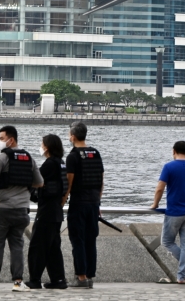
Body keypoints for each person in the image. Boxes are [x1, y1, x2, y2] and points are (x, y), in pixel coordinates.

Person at [0, 125, 44, 292]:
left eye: (1, 139)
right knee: (17, 245)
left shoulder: (2, 158)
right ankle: (18, 282)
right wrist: (22, 185)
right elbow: (39, 183)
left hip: (1, 209)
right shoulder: (29, 158)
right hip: (21, 210)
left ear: (11, 140)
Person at [151, 141, 185, 284]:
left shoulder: (169, 167)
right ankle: (181, 275)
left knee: (166, 241)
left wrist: (155, 204)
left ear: (174, 151)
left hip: (174, 212)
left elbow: (160, 188)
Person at [64, 122, 104, 289]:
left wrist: (63, 198)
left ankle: (81, 278)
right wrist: (98, 201)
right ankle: (89, 276)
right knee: (90, 240)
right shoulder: (95, 153)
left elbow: (69, 182)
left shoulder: (72, 157)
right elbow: (101, 180)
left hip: (78, 203)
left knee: (78, 240)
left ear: (72, 136)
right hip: (94, 203)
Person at [26, 134, 68, 289]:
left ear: (48, 147)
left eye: (42, 144)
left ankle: (34, 279)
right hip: (57, 210)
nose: (41, 146)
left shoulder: (49, 164)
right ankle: (58, 279)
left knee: (38, 246)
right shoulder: (61, 163)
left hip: (47, 211)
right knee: (53, 246)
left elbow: (35, 180)